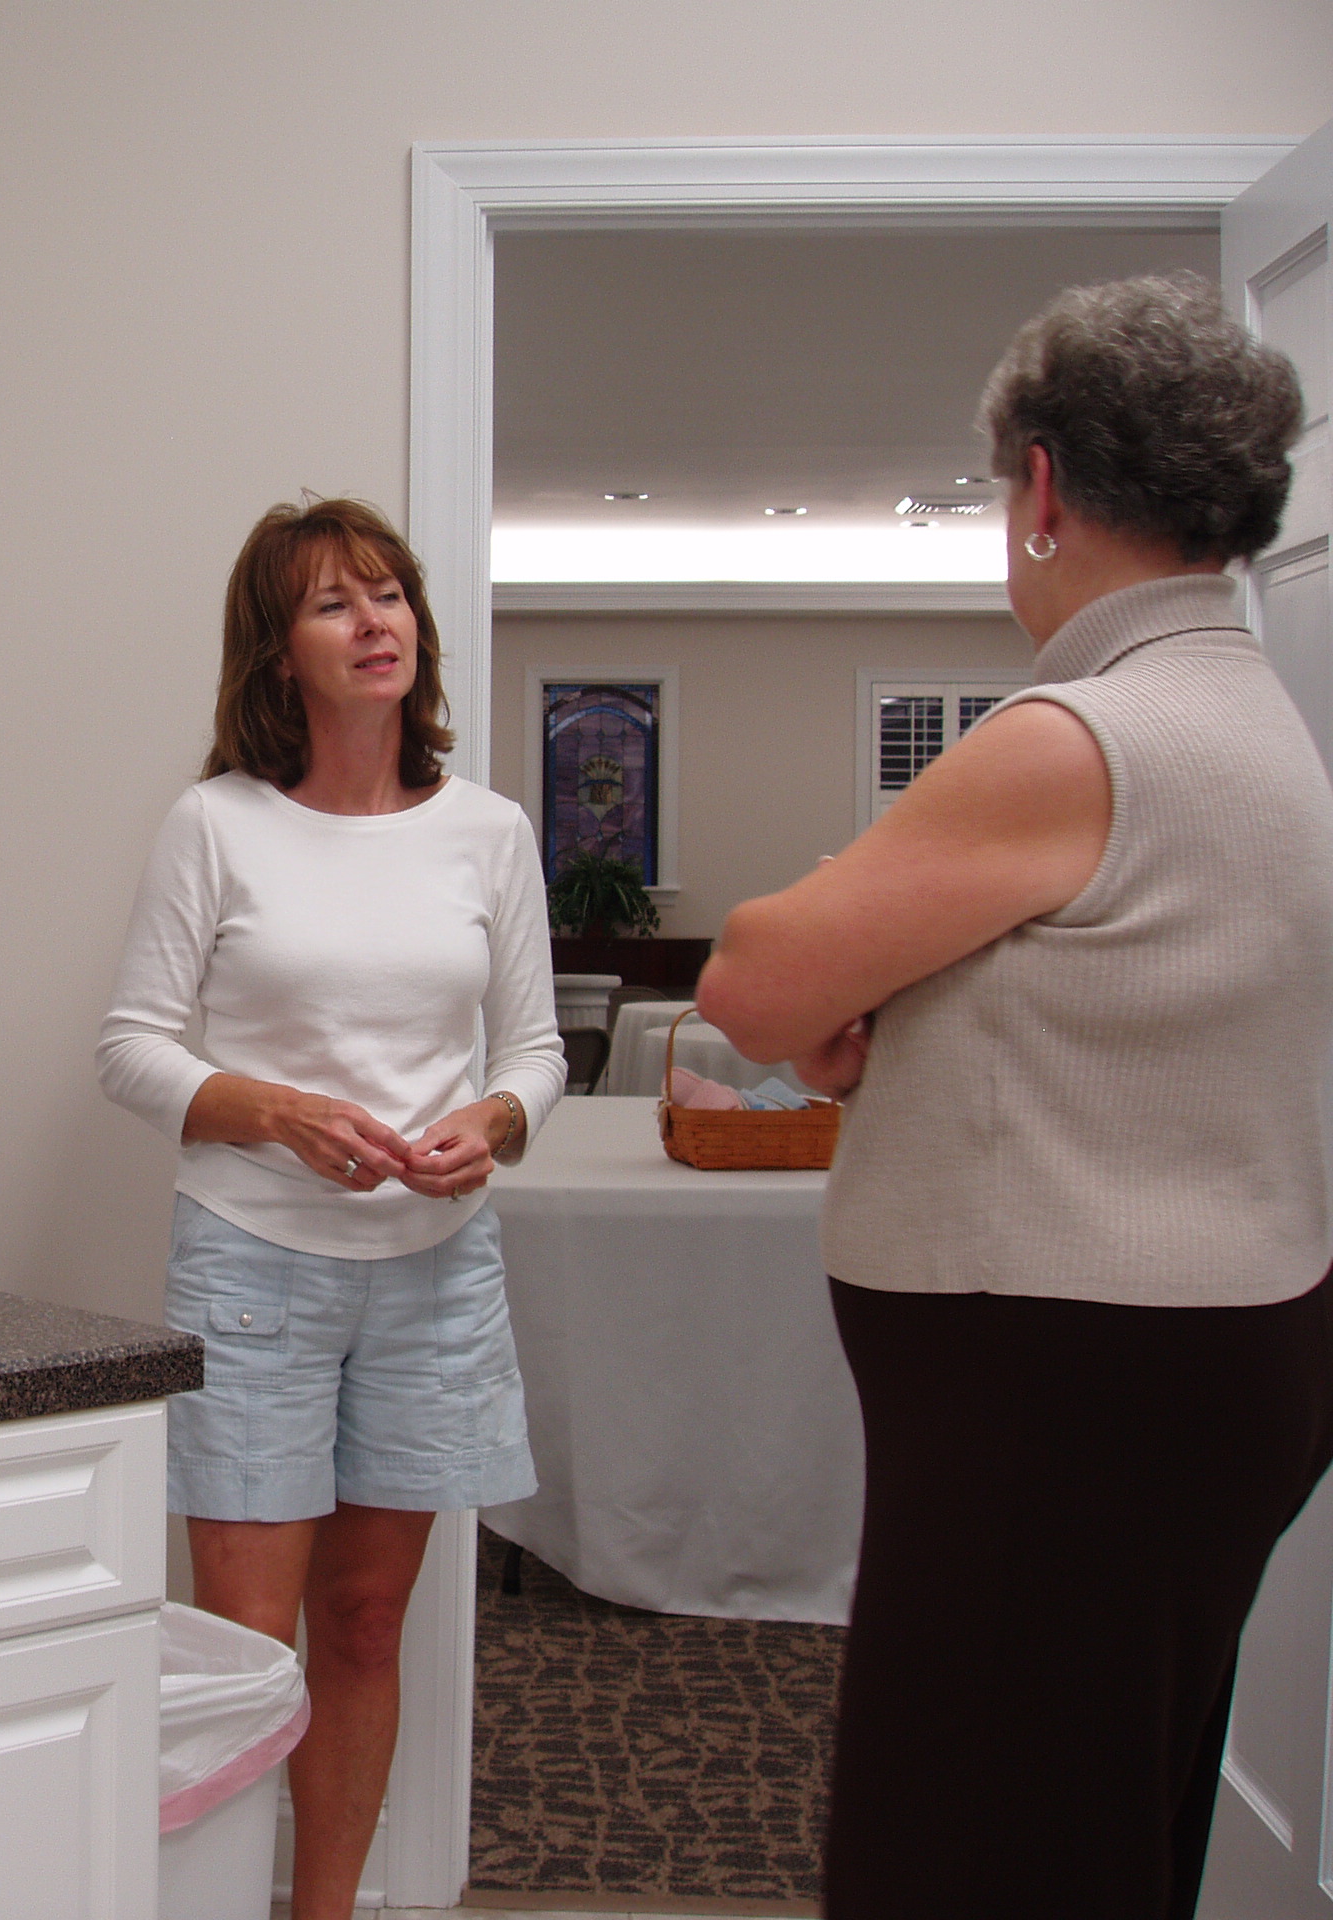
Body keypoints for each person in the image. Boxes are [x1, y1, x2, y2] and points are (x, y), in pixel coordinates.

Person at [699, 274, 1333, 1920]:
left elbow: (751, 981)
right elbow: (1105, 1002)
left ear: (1043, 485)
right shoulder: (1260, 726)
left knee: (966, 1853)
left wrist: (841, 997)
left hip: (1062, 1401)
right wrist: (895, 1010)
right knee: (1100, 1837)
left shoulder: (1078, 736)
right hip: (1205, 1366)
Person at [97, 497, 566, 1918]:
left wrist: (493, 1125)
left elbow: (533, 1052)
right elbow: (130, 1048)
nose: (375, 624)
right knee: (248, 1650)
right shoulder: (216, 824)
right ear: (277, 651)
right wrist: (279, 1114)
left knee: (365, 1625)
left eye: (388, 594)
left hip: (435, 1272)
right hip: (255, 1270)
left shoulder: (489, 832)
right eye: (332, 603)